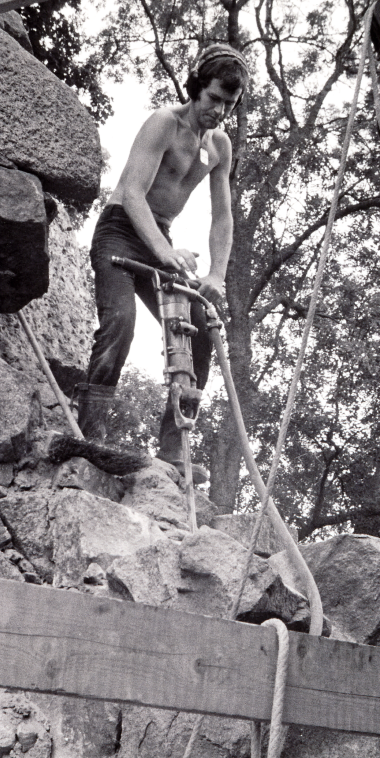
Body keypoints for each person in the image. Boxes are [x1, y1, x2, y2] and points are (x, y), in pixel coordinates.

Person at [78, 43, 249, 477]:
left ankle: (174, 451)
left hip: (161, 241)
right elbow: (133, 193)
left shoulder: (220, 147)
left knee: (200, 331)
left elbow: (223, 216)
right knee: (121, 322)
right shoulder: (163, 124)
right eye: (213, 99)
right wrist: (164, 253)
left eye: (229, 104)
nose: (219, 111)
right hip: (121, 230)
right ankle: (90, 438)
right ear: (196, 88)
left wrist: (216, 275)